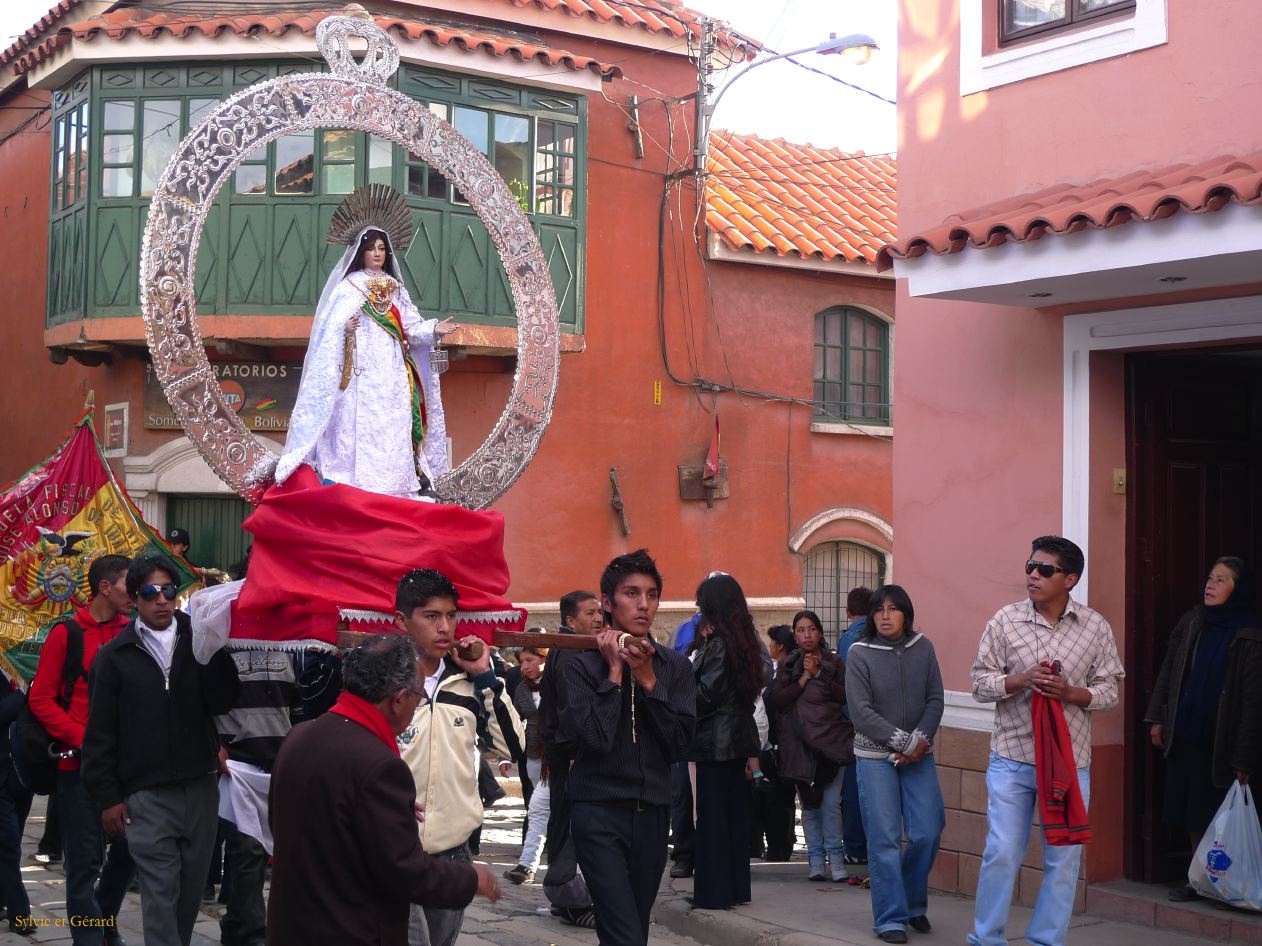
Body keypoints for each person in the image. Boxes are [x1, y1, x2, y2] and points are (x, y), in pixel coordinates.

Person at [266, 634, 501, 946]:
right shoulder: (379, 766)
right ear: (399, 698)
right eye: (418, 697)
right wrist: (473, 879)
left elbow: (292, 821)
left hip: (293, 924)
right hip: (348, 928)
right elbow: (406, 872)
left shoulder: (300, 736)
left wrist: (380, 813)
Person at [968, 536, 1124, 946]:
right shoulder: (1005, 620)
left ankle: (1046, 940)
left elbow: (1110, 691)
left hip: (1070, 762)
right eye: (1030, 567)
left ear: (1069, 579)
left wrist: (1070, 693)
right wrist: (1020, 680)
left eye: (1045, 570)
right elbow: (980, 684)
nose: (1033, 575)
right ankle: (986, 938)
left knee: (1064, 857)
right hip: (1012, 756)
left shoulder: (1094, 626)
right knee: (1002, 852)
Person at [82, 554, 241, 946]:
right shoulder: (115, 657)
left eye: (168, 591)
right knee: (159, 893)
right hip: (146, 794)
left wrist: (215, 648)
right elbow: (100, 734)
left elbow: (223, 700)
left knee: (188, 897)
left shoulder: (198, 639)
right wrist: (108, 798)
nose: (161, 600)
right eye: (150, 592)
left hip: (200, 789)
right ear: (135, 598)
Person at [276, 186, 457, 499]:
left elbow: (411, 327)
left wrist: (434, 330)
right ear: (361, 251)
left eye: (382, 248)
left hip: (392, 376)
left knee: (393, 428)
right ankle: (356, 485)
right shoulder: (349, 288)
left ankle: (398, 486)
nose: (378, 253)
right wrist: (347, 329)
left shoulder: (395, 288)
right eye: (372, 247)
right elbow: (330, 331)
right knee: (358, 428)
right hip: (360, 376)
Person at [562, 550, 696, 946]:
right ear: (607, 602)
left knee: (632, 928)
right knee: (624, 935)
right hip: (597, 811)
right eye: (631, 593)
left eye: (651, 595)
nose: (643, 604)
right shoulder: (578, 663)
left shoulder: (675, 667)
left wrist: (650, 680)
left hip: (653, 815)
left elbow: (679, 745)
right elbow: (596, 738)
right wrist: (616, 674)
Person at [392, 568, 523, 946]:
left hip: (452, 852)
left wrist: (486, 678)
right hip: (395, 846)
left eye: (451, 616)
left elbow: (513, 746)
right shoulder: (385, 680)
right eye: (431, 616)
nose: (444, 627)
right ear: (403, 620)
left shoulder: (468, 684)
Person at [28, 553, 135, 945]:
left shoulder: (136, 633)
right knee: (84, 865)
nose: (138, 591)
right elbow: (40, 699)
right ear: (105, 587)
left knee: (130, 856)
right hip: (80, 771)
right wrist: (82, 737)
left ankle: (101, 922)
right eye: (129, 583)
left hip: (129, 770)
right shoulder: (67, 634)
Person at [1146, 556, 1261, 902]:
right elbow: (1170, 670)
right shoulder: (1194, 621)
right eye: (1210, 577)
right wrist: (1158, 718)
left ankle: (1231, 883)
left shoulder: (1251, 634)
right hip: (1189, 735)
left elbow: (1254, 702)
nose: (1210, 584)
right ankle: (1200, 881)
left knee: (1223, 811)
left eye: (1221, 580)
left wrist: (1244, 756)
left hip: (1223, 740)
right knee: (1193, 810)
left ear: (1238, 589)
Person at [847, 585, 945, 944]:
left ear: (906, 613)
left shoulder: (924, 648)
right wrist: (904, 742)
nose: (886, 616)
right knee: (885, 839)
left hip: (919, 756)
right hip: (875, 759)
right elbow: (860, 712)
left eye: (894, 609)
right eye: (879, 610)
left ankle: (912, 901)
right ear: (871, 616)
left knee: (927, 831)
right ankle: (890, 916)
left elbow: (935, 698)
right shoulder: (859, 653)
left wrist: (919, 741)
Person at [215, 641, 302, 946]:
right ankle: (254, 934)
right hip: (239, 765)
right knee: (247, 848)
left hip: (282, 763)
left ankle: (235, 925)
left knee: (270, 851)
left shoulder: (291, 647)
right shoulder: (220, 648)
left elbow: (299, 705)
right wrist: (215, 745)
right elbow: (203, 700)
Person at [688, 573, 765, 909]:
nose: (699, 607)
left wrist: (677, 689)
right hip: (737, 739)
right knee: (733, 816)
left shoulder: (718, 645)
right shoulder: (744, 641)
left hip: (715, 740)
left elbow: (705, 696)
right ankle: (734, 888)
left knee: (712, 817)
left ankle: (713, 892)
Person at [537, 590, 603, 929]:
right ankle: (570, 897)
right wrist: (579, 751)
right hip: (574, 756)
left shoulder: (572, 650)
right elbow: (571, 713)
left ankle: (564, 899)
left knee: (565, 822)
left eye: (599, 611)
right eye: (590, 613)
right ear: (570, 621)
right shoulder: (571, 655)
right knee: (574, 826)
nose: (598, 618)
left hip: (567, 754)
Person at [771, 609, 852, 881]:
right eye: (801, 630)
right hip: (800, 746)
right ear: (795, 635)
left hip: (833, 742)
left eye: (811, 629)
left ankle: (837, 860)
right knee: (810, 805)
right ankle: (816, 861)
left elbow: (844, 696)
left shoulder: (835, 662)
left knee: (831, 804)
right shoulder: (787, 665)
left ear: (820, 632)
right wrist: (804, 678)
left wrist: (820, 674)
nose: (807, 635)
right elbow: (779, 701)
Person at [751, 625, 798, 863]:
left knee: (778, 799)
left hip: (779, 743)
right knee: (773, 797)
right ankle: (776, 844)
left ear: (779, 646)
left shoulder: (784, 672)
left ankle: (779, 845)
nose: (769, 647)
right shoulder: (775, 670)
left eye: (772, 643)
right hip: (773, 743)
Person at [506, 644, 549, 884]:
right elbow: (513, 721)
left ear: (544, 658)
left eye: (530, 660)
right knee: (540, 809)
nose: (525, 666)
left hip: (558, 758)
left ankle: (527, 864)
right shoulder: (522, 689)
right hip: (533, 756)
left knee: (538, 809)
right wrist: (506, 755)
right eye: (522, 661)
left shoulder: (559, 684)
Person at [836, 585, 872, 867]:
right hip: (879, 721)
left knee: (853, 786)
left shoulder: (848, 640)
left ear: (848, 612)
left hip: (852, 722)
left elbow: (847, 686)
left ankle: (855, 847)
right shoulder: (878, 636)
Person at [0, 679, 32, 935]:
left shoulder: (26, 668)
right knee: (9, 846)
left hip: (24, 775)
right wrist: (23, 692)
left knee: (13, 842)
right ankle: (20, 914)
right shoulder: (21, 683)